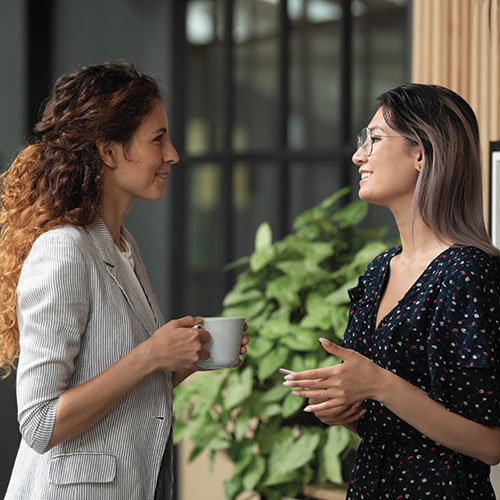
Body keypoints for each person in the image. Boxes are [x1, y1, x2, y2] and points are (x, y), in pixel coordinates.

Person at [0, 62, 248, 500]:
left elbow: (120, 391)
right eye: (158, 139)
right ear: (109, 152)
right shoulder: (65, 250)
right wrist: (152, 354)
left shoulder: (121, 245)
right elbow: (40, 423)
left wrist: (180, 361)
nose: (172, 154)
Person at [283, 84, 500, 499]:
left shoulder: (469, 271)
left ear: (421, 153)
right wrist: (345, 409)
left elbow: (490, 445)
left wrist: (378, 384)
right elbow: (386, 420)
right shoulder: (380, 269)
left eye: (375, 139)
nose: (358, 155)